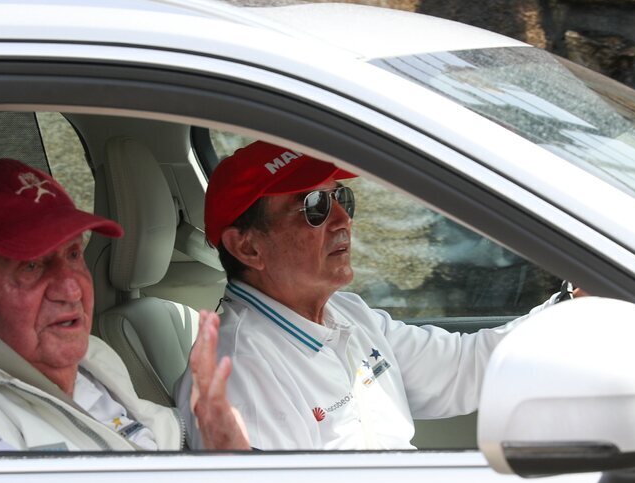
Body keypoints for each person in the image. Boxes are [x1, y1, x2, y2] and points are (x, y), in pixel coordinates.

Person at [177, 140, 562, 450]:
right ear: (248, 249)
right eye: (314, 206)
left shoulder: (346, 313)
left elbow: (464, 368)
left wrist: (572, 308)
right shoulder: (243, 366)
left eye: (340, 198)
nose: (344, 219)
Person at [0, 158, 248, 452]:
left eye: (73, 255)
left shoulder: (94, 359)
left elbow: (164, 448)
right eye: (30, 266)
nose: (71, 289)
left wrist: (222, 447)